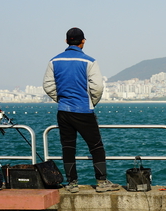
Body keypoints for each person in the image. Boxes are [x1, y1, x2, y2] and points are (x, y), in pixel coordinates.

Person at [43, 27, 119, 193]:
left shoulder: (54, 61)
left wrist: (60, 99)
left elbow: (47, 85)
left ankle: (72, 183)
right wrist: (92, 102)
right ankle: (101, 182)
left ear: (66, 41)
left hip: (63, 111)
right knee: (96, 146)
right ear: (83, 41)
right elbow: (97, 87)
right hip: (84, 110)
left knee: (68, 147)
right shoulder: (89, 62)